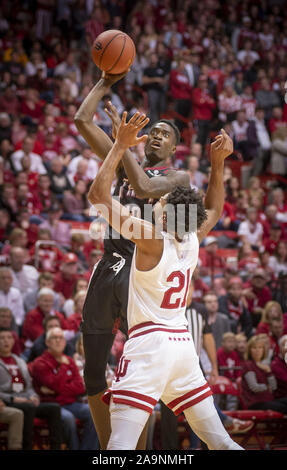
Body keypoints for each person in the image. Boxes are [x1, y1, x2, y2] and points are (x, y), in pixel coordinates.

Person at [86, 109, 241, 450]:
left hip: (149, 348)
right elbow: (214, 208)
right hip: (183, 348)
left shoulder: (150, 239)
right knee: (223, 444)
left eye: (162, 199)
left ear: (166, 210)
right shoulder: (194, 238)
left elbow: (98, 197)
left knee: (119, 449)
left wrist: (119, 147)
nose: (155, 201)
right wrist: (218, 164)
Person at [74, 71, 190, 450]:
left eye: (164, 134)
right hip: (109, 265)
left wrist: (120, 148)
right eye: (153, 131)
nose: (156, 136)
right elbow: (81, 120)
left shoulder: (178, 176)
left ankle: (136, 452)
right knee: (93, 372)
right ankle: (114, 450)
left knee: (137, 380)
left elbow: (142, 187)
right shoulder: (124, 159)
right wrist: (105, 81)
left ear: (173, 148)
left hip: (144, 275)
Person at [30, 327, 99, 450]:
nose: (58, 341)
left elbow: (80, 387)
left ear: (65, 342)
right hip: (51, 405)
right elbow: (54, 385)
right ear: (47, 342)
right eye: (54, 338)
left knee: (94, 412)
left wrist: (58, 389)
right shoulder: (40, 363)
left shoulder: (70, 361)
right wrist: (62, 368)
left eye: (61, 338)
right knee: (68, 418)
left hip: (71, 403)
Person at [0, 328, 62, 450]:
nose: (5, 341)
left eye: (8, 337)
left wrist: (34, 396)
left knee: (54, 408)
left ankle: (56, 447)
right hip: (8, 401)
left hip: (25, 400)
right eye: (2, 338)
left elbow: (29, 386)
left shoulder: (20, 361)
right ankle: (27, 446)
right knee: (28, 408)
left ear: (13, 341)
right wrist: (13, 398)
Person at [241, 335, 287, 414]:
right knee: (283, 407)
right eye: (254, 348)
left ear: (263, 350)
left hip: (268, 400)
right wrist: (267, 386)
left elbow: (274, 387)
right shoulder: (248, 365)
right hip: (255, 403)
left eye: (260, 348)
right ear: (249, 350)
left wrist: (269, 371)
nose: (257, 350)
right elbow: (254, 387)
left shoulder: (264, 366)